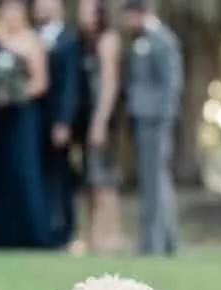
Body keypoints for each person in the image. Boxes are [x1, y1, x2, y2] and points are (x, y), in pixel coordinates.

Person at [122, 0, 183, 255]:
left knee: (154, 181)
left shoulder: (162, 41)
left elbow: (171, 84)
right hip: (142, 118)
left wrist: (163, 118)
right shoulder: (141, 40)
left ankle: (152, 244)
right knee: (155, 179)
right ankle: (167, 240)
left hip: (156, 120)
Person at [0, 0, 50, 248]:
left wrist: (17, 95)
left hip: (24, 115)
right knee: (4, 172)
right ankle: (7, 235)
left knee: (26, 171)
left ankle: (35, 235)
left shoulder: (32, 41)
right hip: (0, 116)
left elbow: (41, 82)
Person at [77, 0, 127, 254]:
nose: (81, 15)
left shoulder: (108, 40)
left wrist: (100, 122)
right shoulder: (88, 42)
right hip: (90, 119)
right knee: (92, 180)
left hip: (104, 120)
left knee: (105, 179)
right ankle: (94, 236)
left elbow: (110, 84)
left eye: (86, 10)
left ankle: (109, 235)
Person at [36, 0, 80, 249]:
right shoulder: (36, 36)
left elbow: (69, 85)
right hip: (35, 122)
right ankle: (46, 230)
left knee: (62, 178)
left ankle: (65, 233)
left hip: (57, 121)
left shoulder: (68, 40)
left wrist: (64, 121)